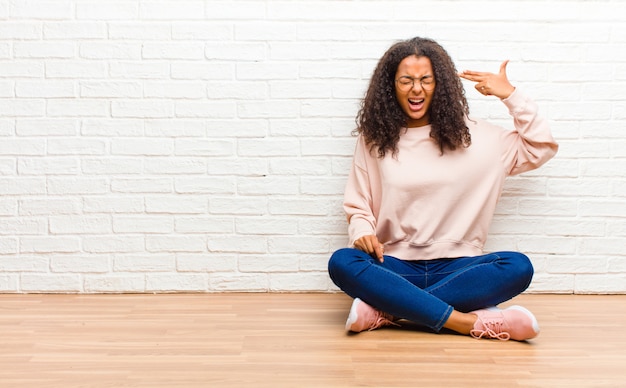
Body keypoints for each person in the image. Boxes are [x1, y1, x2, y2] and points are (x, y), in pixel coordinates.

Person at [327, 37, 558, 341]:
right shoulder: (374, 140)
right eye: (406, 80)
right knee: (343, 262)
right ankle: (467, 323)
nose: (416, 89)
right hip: (393, 265)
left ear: (441, 85)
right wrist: (362, 233)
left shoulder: (481, 138)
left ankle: (389, 310)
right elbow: (359, 206)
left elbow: (540, 147)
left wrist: (510, 96)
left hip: (459, 269)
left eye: (426, 80)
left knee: (517, 266)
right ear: (390, 86)